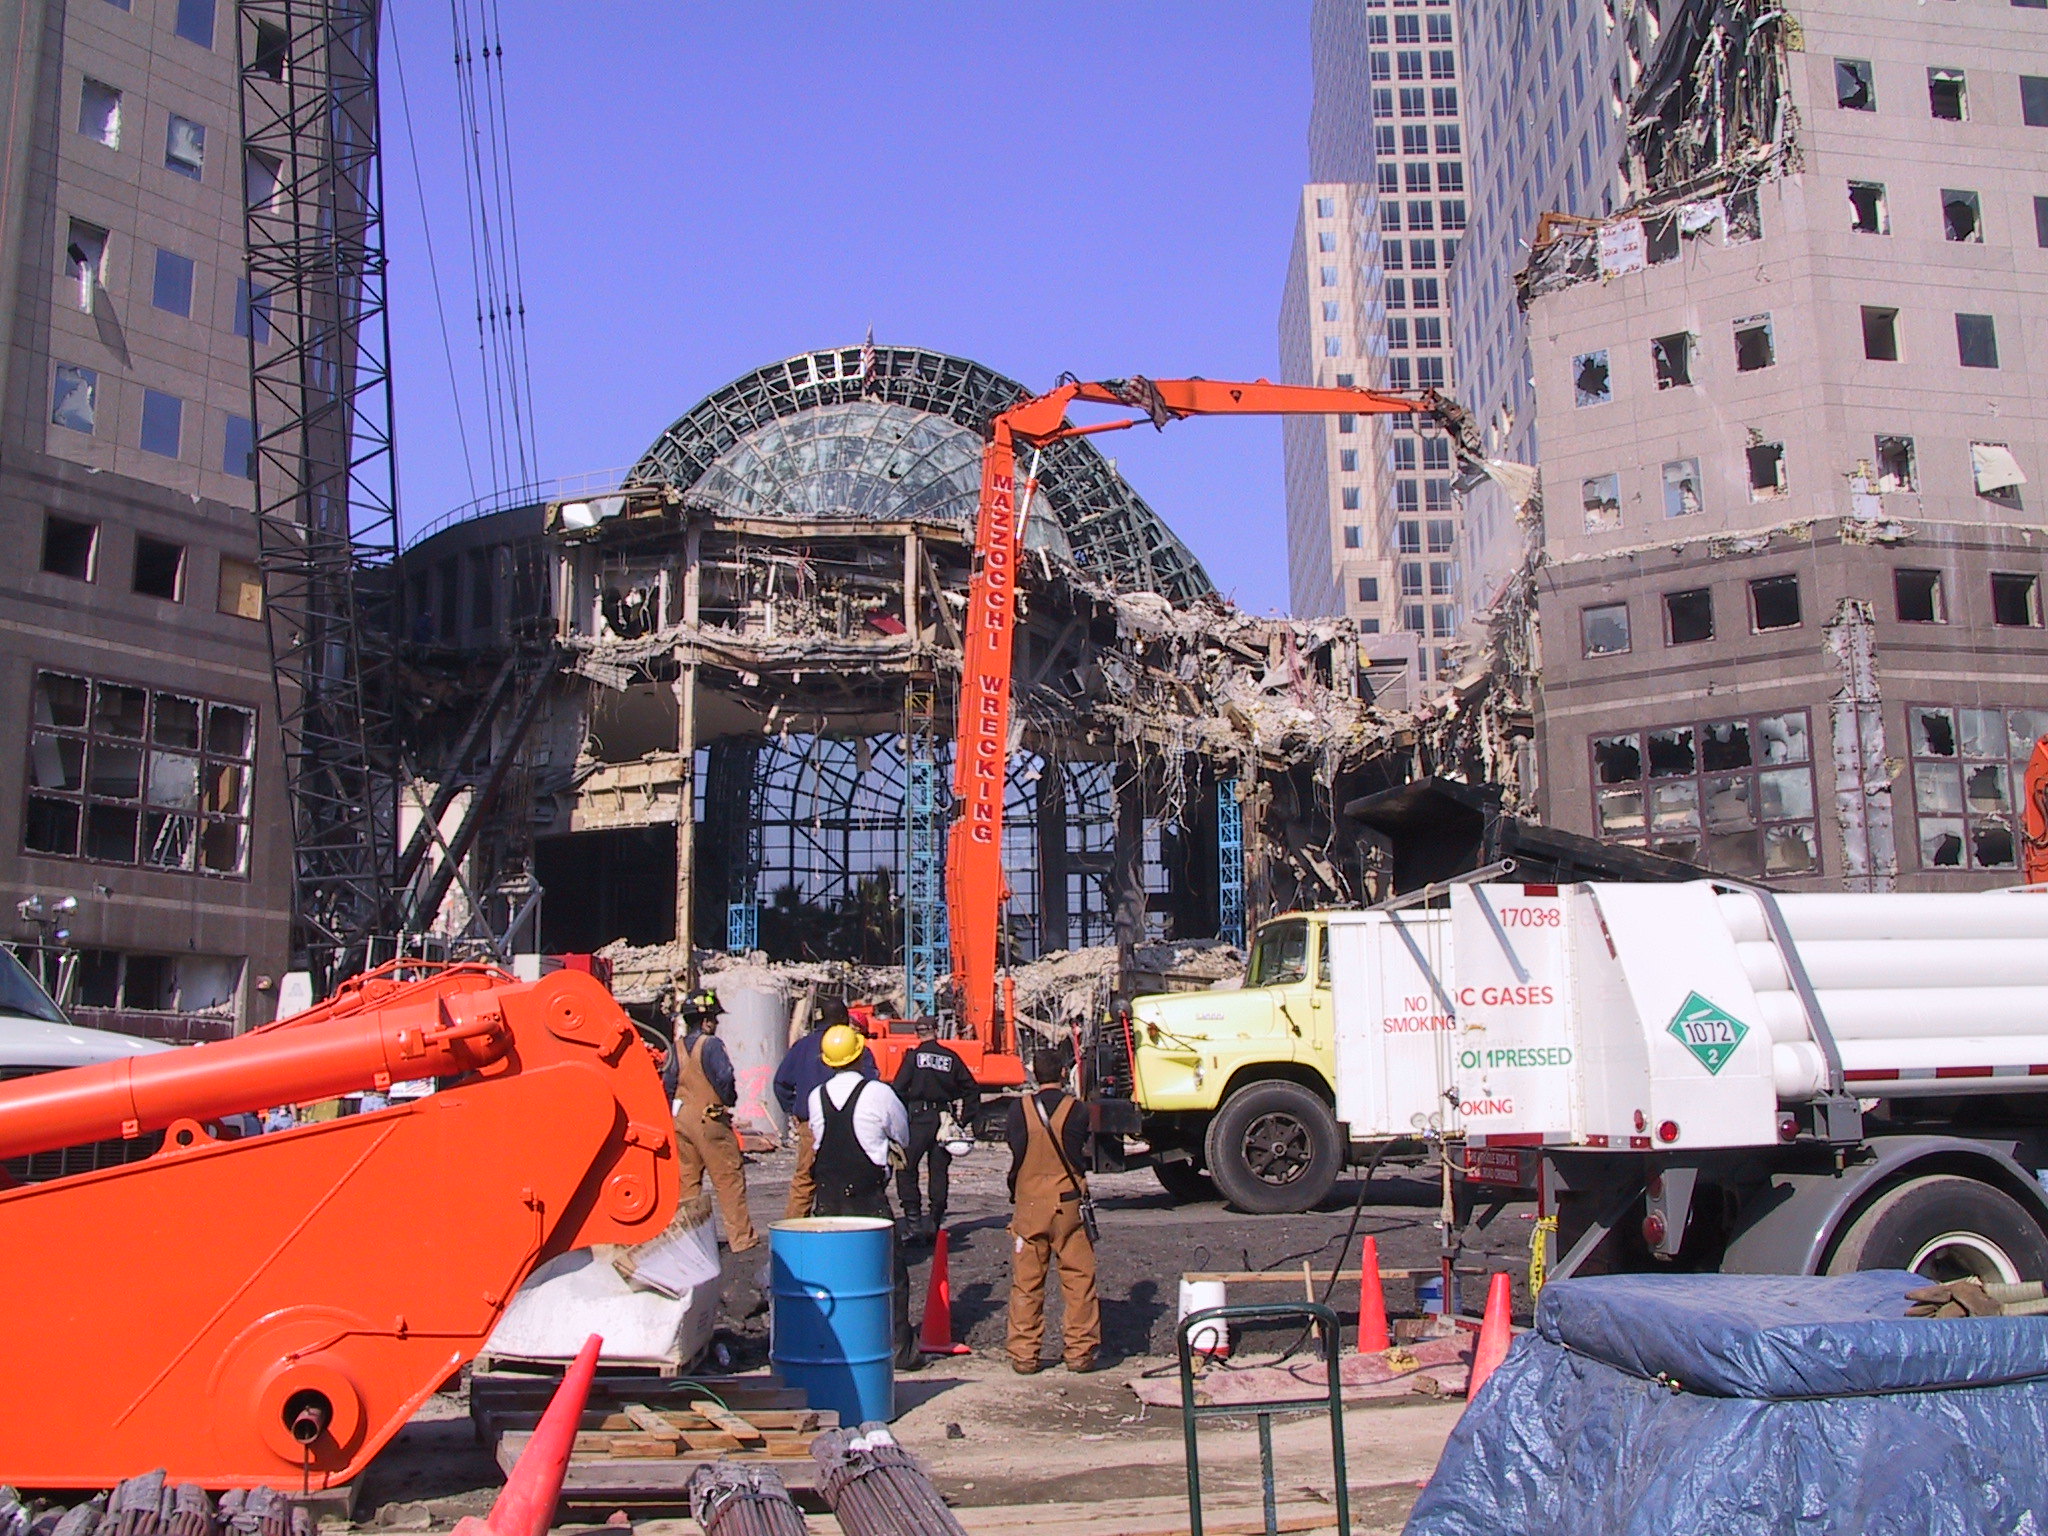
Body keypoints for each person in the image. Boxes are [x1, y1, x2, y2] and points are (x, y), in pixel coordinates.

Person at [807, 1022, 921, 1371]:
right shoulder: (879, 1094)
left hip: (826, 1198)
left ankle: (835, 1345)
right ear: (860, 1054)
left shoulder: (816, 1097)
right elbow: (901, 1133)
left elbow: (817, 1142)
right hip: (868, 1197)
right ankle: (899, 1350)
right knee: (890, 1274)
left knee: (830, 1275)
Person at [1005, 1050, 1100, 1374]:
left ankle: (1024, 1355)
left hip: (1029, 1203)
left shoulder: (1019, 1110)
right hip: (1068, 1203)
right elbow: (1081, 1152)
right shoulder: (1077, 1111)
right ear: (1063, 1072)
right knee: (1079, 1280)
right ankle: (1079, 1352)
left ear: (1033, 1073)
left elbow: (1015, 1151)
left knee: (1027, 1283)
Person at [673, 987, 760, 1252]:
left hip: (681, 1121)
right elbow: (724, 1077)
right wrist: (730, 1099)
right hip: (709, 1119)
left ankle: (689, 1243)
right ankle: (741, 1239)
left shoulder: (676, 1048)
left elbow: (666, 1084)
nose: (717, 1023)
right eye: (715, 1018)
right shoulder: (711, 1045)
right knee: (728, 1178)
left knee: (687, 1183)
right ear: (706, 1020)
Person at [773, 997, 876, 1220]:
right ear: (843, 1019)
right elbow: (871, 1086)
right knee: (851, 1177)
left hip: (809, 1123)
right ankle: (853, 1227)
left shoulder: (802, 1047)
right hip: (851, 1124)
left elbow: (781, 1082)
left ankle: (793, 1236)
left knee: (805, 1180)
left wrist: (795, 1110)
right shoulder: (856, 1049)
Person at [890, 1017, 980, 1240]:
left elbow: (898, 1088)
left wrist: (900, 1118)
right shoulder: (950, 1057)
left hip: (918, 1118)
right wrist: (962, 1120)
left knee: (906, 1168)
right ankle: (935, 1222)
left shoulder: (913, 1058)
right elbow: (971, 1089)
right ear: (936, 1031)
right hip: (944, 1120)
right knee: (938, 1171)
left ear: (917, 1033)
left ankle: (913, 1222)